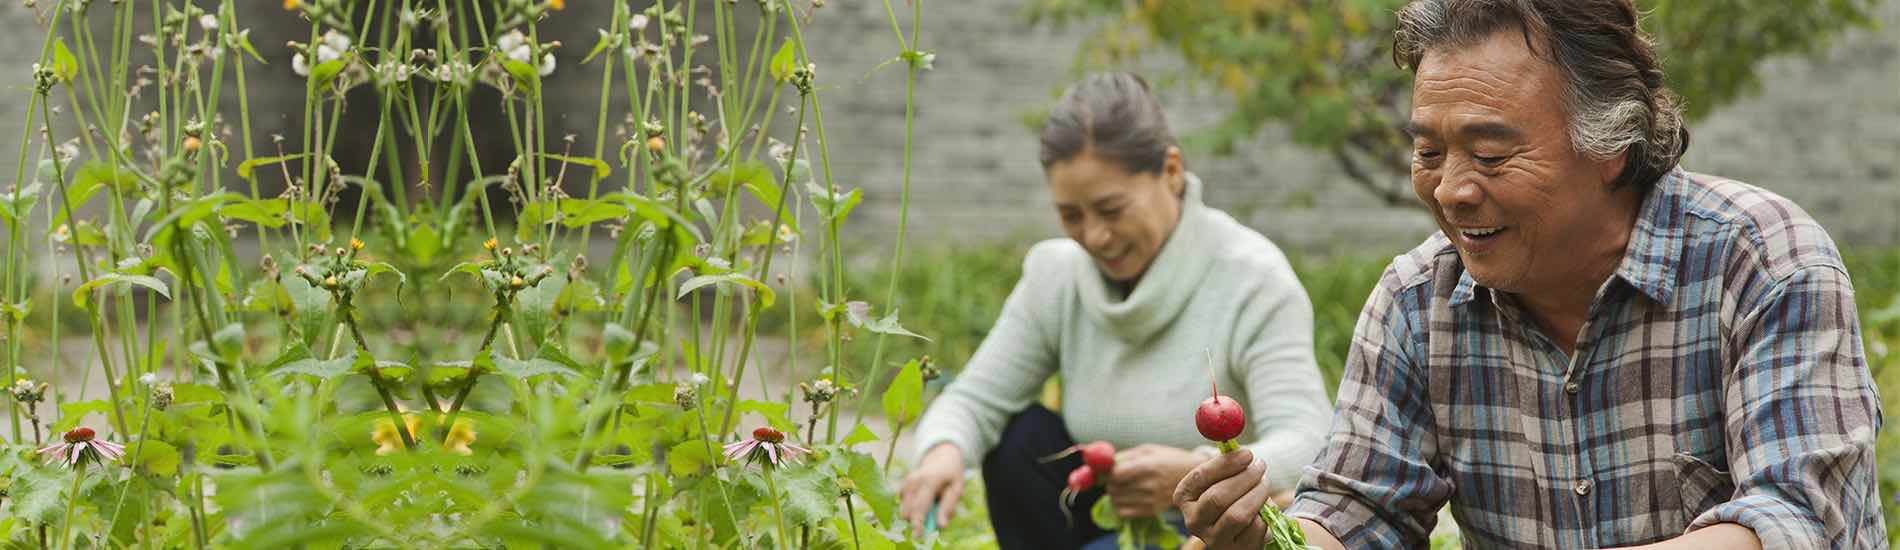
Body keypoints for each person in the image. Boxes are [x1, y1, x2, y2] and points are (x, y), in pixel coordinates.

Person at [1172, 1, 1887, 549]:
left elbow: (1790, 520)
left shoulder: (1762, 262)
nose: (1450, 189)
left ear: (1611, 145)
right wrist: (1267, 536)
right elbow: (1357, 512)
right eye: (1428, 151)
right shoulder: (1417, 304)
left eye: (1489, 154)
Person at [896, 72, 1333, 550]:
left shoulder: (1252, 278)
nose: (1095, 236)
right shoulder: (1056, 275)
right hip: (1096, 521)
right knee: (1019, 438)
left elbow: (1307, 440)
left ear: (1170, 171)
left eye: (1111, 209)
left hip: (1202, 536)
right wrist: (942, 454)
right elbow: (974, 400)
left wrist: (1195, 473)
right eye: (1071, 215)